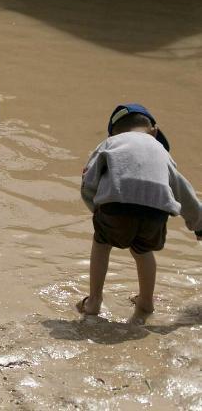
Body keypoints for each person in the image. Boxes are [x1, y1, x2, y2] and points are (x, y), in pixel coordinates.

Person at [77, 104, 202, 324]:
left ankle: (94, 301)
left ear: (114, 132)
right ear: (154, 131)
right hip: (156, 211)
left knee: (102, 243)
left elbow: (89, 180)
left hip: (115, 207)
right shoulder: (162, 151)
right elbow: (183, 190)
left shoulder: (109, 143)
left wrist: (97, 210)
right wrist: (198, 224)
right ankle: (145, 301)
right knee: (142, 250)